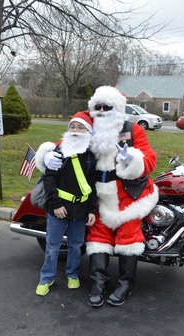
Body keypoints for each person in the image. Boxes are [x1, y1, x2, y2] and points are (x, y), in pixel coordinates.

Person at [85, 86, 158, 307]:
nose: (101, 111)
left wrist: (132, 159)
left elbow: (149, 159)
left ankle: (126, 283)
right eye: (96, 107)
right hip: (99, 195)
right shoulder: (89, 129)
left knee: (128, 237)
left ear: (116, 109)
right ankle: (98, 282)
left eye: (106, 107)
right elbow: (69, 141)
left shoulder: (133, 130)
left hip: (128, 195)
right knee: (98, 237)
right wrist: (52, 153)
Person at [35, 111, 97, 296]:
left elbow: (92, 186)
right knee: (52, 246)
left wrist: (91, 210)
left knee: (76, 246)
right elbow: (49, 180)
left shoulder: (91, 157)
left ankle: (72, 274)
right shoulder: (58, 153)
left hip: (80, 211)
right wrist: (55, 205)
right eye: (73, 126)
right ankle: (46, 278)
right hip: (58, 209)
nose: (76, 130)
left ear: (88, 132)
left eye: (81, 127)